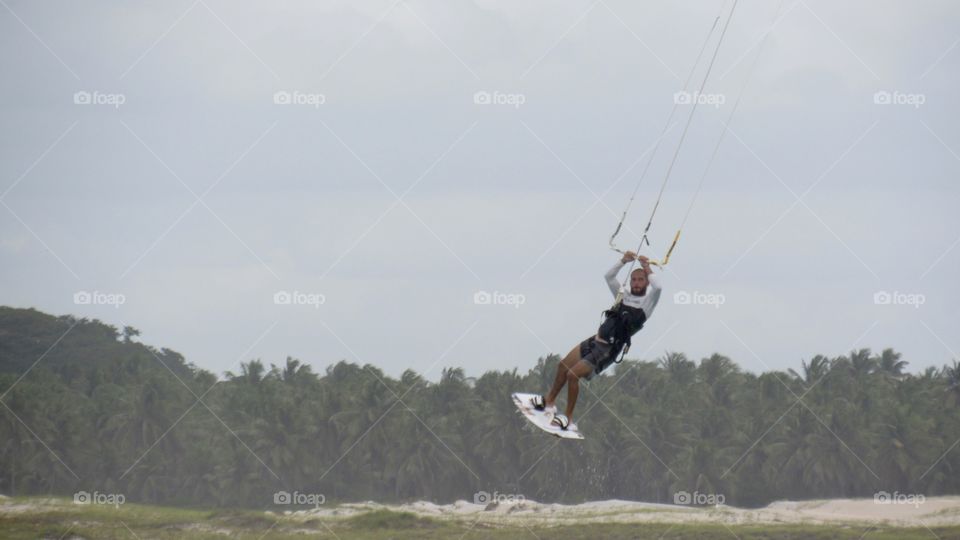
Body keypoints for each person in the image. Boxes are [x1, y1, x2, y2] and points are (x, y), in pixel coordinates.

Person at [530, 251, 662, 431]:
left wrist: (647, 267)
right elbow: (608, 277)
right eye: (634, 280)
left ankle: (568, 419)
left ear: (647, 281)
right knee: (563, 366)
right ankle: (549, 401)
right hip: (595, 340)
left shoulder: (648, 304)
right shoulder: (624, 295)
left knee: (572, 375)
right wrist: (623, 260)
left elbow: (659, 287)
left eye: (641, 280)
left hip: (608, 350)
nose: (637, 283)